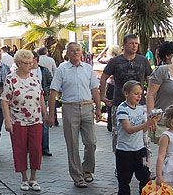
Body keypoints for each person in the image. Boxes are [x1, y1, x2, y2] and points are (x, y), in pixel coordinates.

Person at [48, 42, 102, 187]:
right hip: (69, 107)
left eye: (77, 50)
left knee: (91, 142)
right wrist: (51, 114)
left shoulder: (88, 68)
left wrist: (98, 108)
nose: (75, 53)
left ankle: (87, 170)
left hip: (86, 106)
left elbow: (95, 89)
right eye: (72, 51)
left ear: (82, 52)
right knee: (72, 143)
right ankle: (77, 176)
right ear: (68, 53)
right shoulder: (62, 69)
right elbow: (54, 91)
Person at [1, 50, 48, 191]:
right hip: (18, 120)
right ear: (18, 64)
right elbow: (4, 100)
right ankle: (24, 178)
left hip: (35, 119)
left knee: (35, 148)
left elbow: (40, 96)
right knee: (20, 149)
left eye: (31, 62)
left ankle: (34, 178)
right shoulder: (11, 79)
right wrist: (7, 120)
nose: (30, 65)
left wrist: (45, 113)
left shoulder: (35, 77)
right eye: (26, 63)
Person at [100, 34, 153, 152]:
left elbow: (150, 80)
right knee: (118, 133)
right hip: (119, 102)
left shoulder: (143, 60)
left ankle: (145, 162)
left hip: (140, 104)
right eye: (131, 43)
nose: (134, 46)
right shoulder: (115, 61)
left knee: (143, 134)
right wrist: (102, 96)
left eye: (136, 43)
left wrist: (151, 97)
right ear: (124, 45)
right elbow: (103, 78)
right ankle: (120, 161)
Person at [116, 81, 160, 195]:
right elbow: (128, 129)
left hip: (140, 149)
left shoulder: (141, 109)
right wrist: (146, 123)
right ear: (126, 93)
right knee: (124, 179)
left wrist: (152, 122)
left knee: (145, 176)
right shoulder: (122, 109)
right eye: (136, 93)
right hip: (124, 150)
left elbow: (144, 129)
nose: (139, 96)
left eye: (141, 94)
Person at [32, 51, 54, 156]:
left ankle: (45, 147)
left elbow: (51, 82)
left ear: (36, 59)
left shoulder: (43, 70)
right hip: (29, 102)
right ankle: (31, 147)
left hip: (42, 100)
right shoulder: (24, 71)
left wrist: (45, 90)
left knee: (44, 124)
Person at [97, 45, 122, 132]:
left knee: (109, 105)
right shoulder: (121, 59)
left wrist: (104, 50)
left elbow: (99, 59)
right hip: (119, 85)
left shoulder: (110, 60)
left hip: (111, 85)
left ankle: (110, 125)